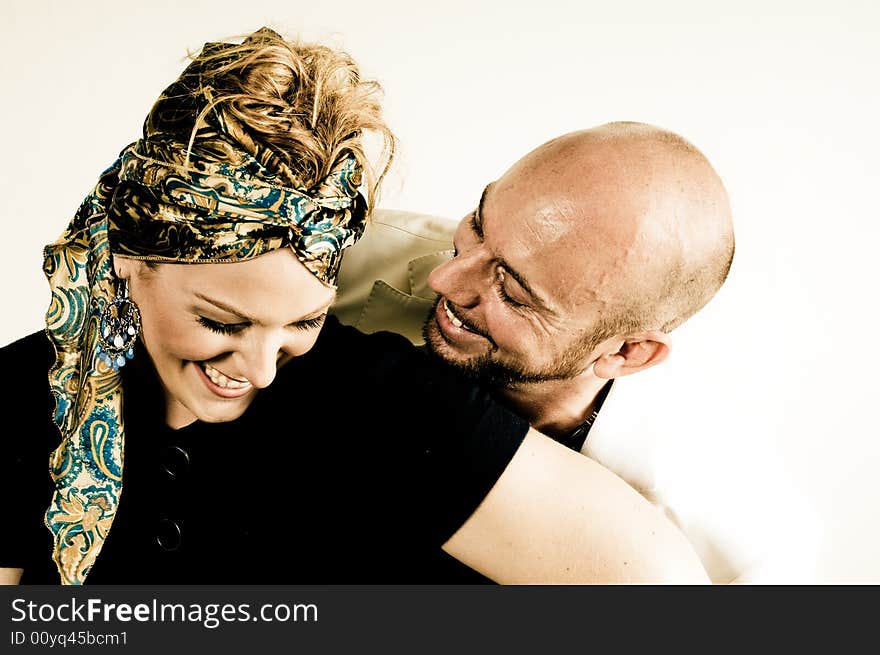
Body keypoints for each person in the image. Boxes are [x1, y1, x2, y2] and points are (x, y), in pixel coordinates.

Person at [0, 29, 710, 585]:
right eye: (221, 320)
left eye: (303, 321)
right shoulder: (22, 387)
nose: (263, 367)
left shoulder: (387, 402)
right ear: (131, 262)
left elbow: (662, 590)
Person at [332, 123, 822, 583]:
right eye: (478, 226)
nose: (446, 278)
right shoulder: (340, 253)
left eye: (513, 291)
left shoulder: (746, 548)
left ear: (628, 353)